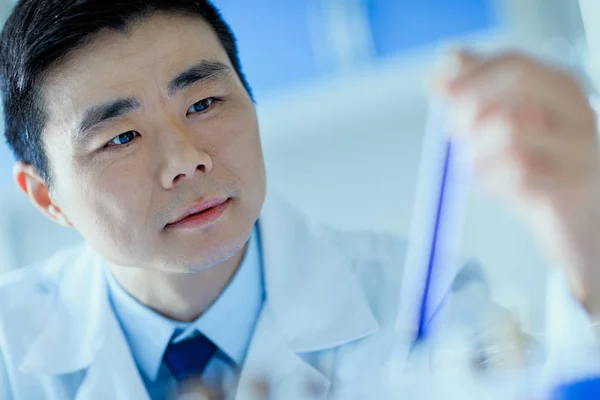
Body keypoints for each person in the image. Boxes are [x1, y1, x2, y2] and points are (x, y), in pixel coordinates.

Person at [0, 0, 599, 398]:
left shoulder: (417, 298)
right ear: (46, 197)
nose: (186, 160)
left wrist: (587, 242)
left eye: (204, 104)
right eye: (121, 137)